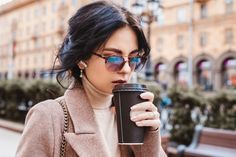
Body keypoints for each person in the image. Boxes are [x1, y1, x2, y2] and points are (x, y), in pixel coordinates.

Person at [16, 1, 167, 157]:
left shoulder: (131, 117)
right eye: (114, 58)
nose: (127, 69)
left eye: (134, 59)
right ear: (82, 58)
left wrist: (149, 137)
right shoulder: (48, 117)